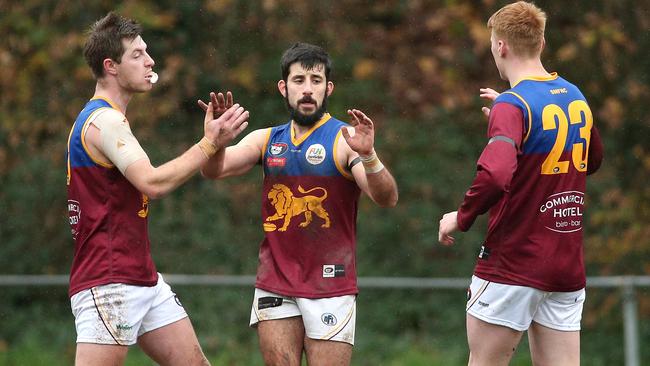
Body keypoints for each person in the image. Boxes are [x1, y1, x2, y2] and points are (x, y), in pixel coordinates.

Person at [66, 12, 249, 365]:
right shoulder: (105, 120)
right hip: (109, 281)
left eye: (146, 52)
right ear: (111, 66)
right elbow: (152, 182)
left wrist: (212, 143)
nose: (150, 61)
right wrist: (209, 143)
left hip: (142, 278)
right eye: (137, 54)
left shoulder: (111, 119)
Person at [199, 42, 398, 365]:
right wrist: (214, 143)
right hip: (275, 281)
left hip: (330, 284)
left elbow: (386, 198)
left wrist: (369, 156)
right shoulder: (267, 140)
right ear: (283, 87)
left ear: (328, 88)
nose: (308, 89)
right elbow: (213, 170)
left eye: (316, 81)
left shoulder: (345, 140)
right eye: (299, 80)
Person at [437, 2, 604, 365]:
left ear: (500, 46)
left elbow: (496, 176)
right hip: (565, 264)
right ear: (542, 42)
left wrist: (460, 218)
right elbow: (591, 160)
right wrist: (519, 121)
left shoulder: (513, 106)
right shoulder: (573, 94)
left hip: (513, 263)